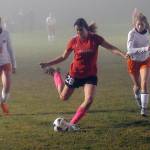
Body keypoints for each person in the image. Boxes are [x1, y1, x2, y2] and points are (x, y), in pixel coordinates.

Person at [40, 18, 126, 131]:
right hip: (75, 74)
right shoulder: (73, 41)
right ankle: (56, 73)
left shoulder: (95, 38)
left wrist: (123, 54)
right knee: (63, 97)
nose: (79, 32)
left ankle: (71, 124)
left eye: (81, 30)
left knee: (89, 99)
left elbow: (111, 48)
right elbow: (63, 57)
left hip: (90, 75)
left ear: (86, 29)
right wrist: (48, 63)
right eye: (77, 31)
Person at [127, 9, 150, 116]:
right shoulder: (131, 33)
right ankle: (137, 97)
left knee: (144, 83)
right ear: (135, 24)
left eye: (142, 24)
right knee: (137, 86)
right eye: (138, 25)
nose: (140, 27)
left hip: (145, 61)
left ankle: (144, 109)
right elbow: (130, 50)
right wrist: (145, 48)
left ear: (145, 24)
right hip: (133, 61)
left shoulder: (148, 32)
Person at [0, 17, 16, 115]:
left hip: (6, 62)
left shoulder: (5, 33)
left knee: (7, 86)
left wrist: (14, 64)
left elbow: (10, 49)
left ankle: (3, 102)